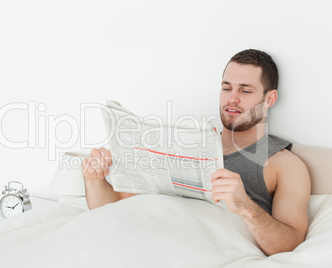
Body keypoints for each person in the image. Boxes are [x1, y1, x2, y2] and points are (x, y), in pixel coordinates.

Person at [81, 49, 311, 256]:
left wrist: (246, 207)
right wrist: (94, 180)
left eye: (245, 90)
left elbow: (289, 245)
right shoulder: (184, 144)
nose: (232, 98)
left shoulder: (284, 164)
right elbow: (111, 207)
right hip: (139, 239)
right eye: (226, 87)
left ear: (269, 98)